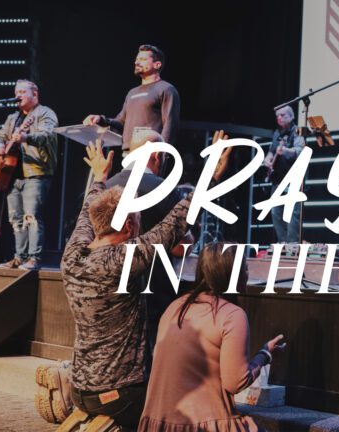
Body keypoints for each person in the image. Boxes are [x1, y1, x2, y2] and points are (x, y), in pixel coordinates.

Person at [60, 142, 192, 430]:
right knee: (181, 408)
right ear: (130, 227)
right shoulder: (122, 260)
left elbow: (87, 210)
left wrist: (99, 177)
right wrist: (213, 175)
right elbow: (176, 222)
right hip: (120, 395)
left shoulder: (72, 254)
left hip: (80, 390)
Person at [106, 128, 230, 375]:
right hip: (152, 291)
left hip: (111, 288)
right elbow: (181, 247)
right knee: (153, 362)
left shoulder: (106, 185)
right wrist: (212, 175)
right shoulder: (160, 187)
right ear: (156, 156)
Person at [139, 242, 285, 432]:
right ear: (232, 275)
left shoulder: (175, 307)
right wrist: (265, 354)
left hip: (160, 424)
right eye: (245, 268)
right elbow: (235, 382)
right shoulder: (231, 315)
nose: (248, 274)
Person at [0, 79, 58, 270]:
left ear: (34, 94)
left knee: (32, 217)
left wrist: (25, 137)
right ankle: (19, 258)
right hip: (12, 175)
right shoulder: (13, 118)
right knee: (15, 219)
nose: (17, 96)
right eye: (16, 92)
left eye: (22, 92)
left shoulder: (45, 113)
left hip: (36, 173)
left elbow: (47, 135)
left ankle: (34, 258)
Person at [83, 44, 180, 154]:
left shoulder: (166, 89)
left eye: (142, 59)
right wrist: (101, 119)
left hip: (150, 152)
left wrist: (161, 153)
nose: (136, 62)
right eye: (137, 59)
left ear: (157, 65)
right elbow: (121, 122)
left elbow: (170, 125)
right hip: (128, 153)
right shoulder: (132, 93)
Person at [262, 106, 305, 244]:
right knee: (275, 213)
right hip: (277, 179)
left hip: (292, 179)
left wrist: (285, 150)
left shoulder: (297, 131)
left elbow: (300, 151)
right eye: (277, 116)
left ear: (291, 116)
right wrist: (267, 159)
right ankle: (282, 243)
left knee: (292, 214)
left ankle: (292, 245)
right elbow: (271, 150)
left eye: (282, 115)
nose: (279, 118)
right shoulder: (277, 133)